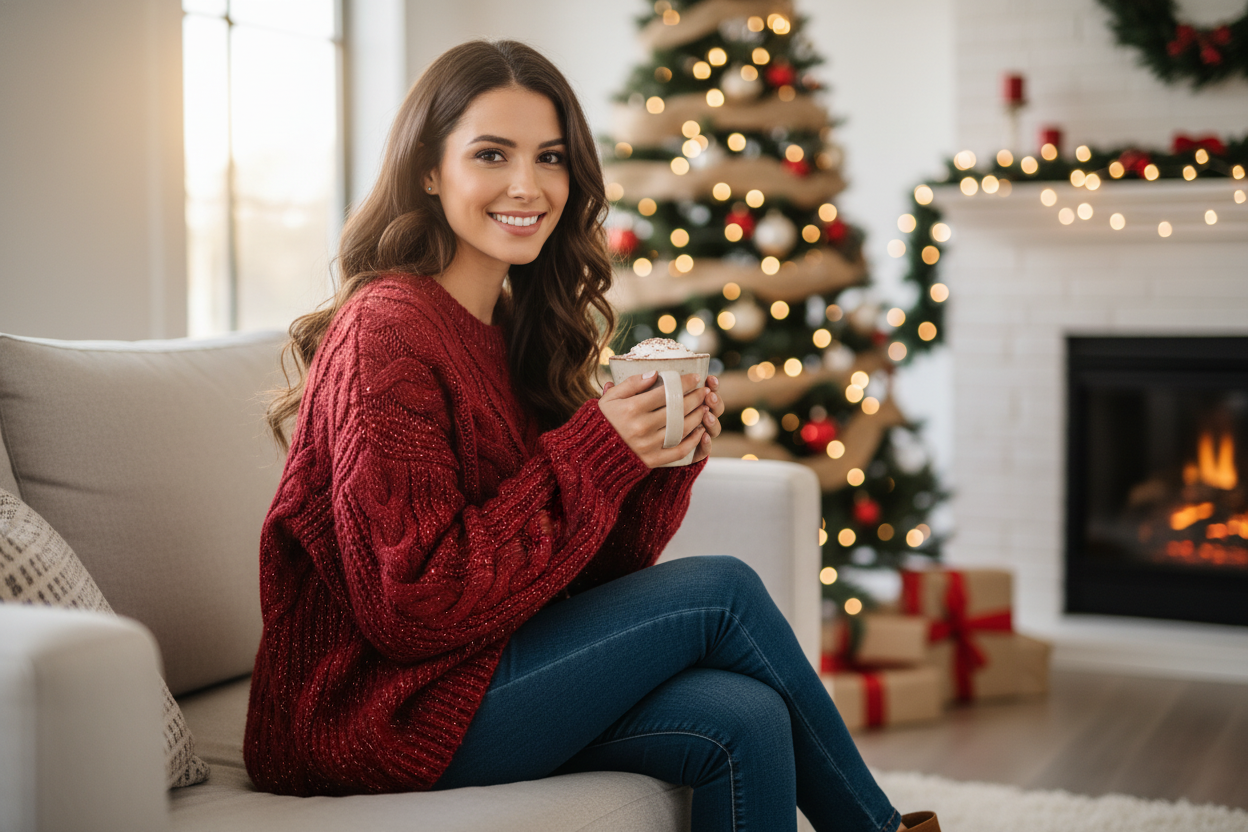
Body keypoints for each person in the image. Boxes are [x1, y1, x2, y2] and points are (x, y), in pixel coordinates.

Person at [244, 38, 939, 832]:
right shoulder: (388, 329)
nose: (526, 185)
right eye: (491, 154)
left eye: (550, 158)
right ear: (429, 171)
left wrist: (655, 464)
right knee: (724, 588)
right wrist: (597, 452)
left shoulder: (511, 328)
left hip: (468, 668)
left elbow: (576, 580)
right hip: (370, 715)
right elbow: (414, 607)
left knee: (745, 716)